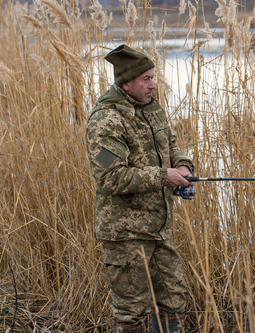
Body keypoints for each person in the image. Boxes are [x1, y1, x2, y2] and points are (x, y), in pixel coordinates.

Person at [85, 44, 194, 333]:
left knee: (174, 299)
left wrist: (183, 167)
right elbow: (109, 178)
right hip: (125, 234)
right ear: (126, 83)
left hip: (158, 228)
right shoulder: (107, 119)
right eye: (146, 79)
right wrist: (163, 177)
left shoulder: (152, 109)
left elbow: (171, 146)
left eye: (153, 77)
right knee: (131, 312)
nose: (153, 84)